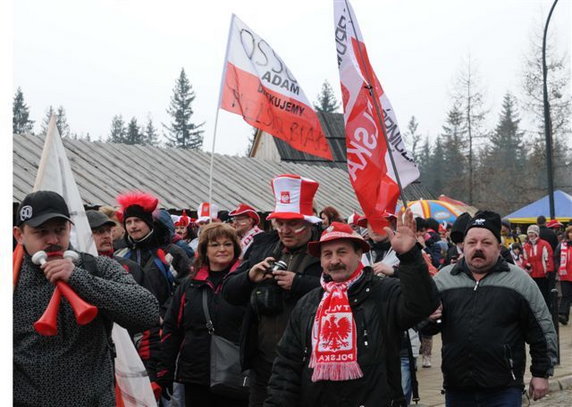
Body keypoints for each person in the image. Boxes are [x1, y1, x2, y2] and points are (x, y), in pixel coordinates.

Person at [263, 213, 439, 406]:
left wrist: (410, 257)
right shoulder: (308, 304)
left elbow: (422, 305)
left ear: (358, 255)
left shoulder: (384, 292)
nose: (334, 260)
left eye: (342, 252)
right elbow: (287, 365)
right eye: (327, 254)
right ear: (321, 260)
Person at [13, 190, 160, 406]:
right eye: (41, 232)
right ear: (19, 235)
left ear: (70, 229)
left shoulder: (98, 267)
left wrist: (78, 278)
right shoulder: (11, 277)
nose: (53, 240)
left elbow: (147, 312)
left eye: (59, 230)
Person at [423, 210, 557, 406]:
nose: (478, 248)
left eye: (486, 243)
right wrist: (429, 318)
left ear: (498, 247)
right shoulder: (444, 279)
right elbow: (426, 328)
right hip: (457, 388)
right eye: (472, 242)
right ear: (463, 246)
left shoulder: (519, 281)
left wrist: (541, 373)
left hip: (504, 389)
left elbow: (542, 330)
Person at [222, 174, 323, 407]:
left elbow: (342, 290)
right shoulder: (261, 247)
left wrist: (298, 283)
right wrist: (249, 277)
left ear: (310, 222)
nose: (285, 230)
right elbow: (229, 292)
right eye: (280, 223)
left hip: (309, 365)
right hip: (264, 363)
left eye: (294, 224)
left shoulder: (327, 250)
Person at [158, 223, 247, 406]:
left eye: (227, 244)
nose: (222, 249)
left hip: (234, 374)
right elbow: (172, 328)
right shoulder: (189, 285)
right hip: (196, 374)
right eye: (215, 245)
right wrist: (164, 369)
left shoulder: (246, 282)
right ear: (205, 249)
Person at [115, 191, 192, 390]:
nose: (132, 226)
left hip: (162, 331)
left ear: (149, 222)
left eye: (137, 221)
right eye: (128, 221)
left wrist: (164, 315)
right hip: (126, 331)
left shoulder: (170, 254)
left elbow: (184, 288)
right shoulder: (119, 253)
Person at [523, 225, 554, 307]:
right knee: (533, 294)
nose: (530, 235)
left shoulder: (544, 244)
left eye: (532, 233)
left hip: (543, 274)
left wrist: (549, 270)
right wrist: (526, 264)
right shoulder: (526, 246)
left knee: (544, 294)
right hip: (531, 274)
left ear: (536, 233)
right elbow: (524, 258)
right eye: (529, 233)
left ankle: (547, 310)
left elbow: (549, 257)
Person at [555, 225, 572, 325]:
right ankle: (562, 315)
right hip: (565, 274)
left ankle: (564, 315)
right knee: (566, 295)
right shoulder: (562, 245)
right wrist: (558, 268)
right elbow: (556, 257)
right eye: (570, 232)